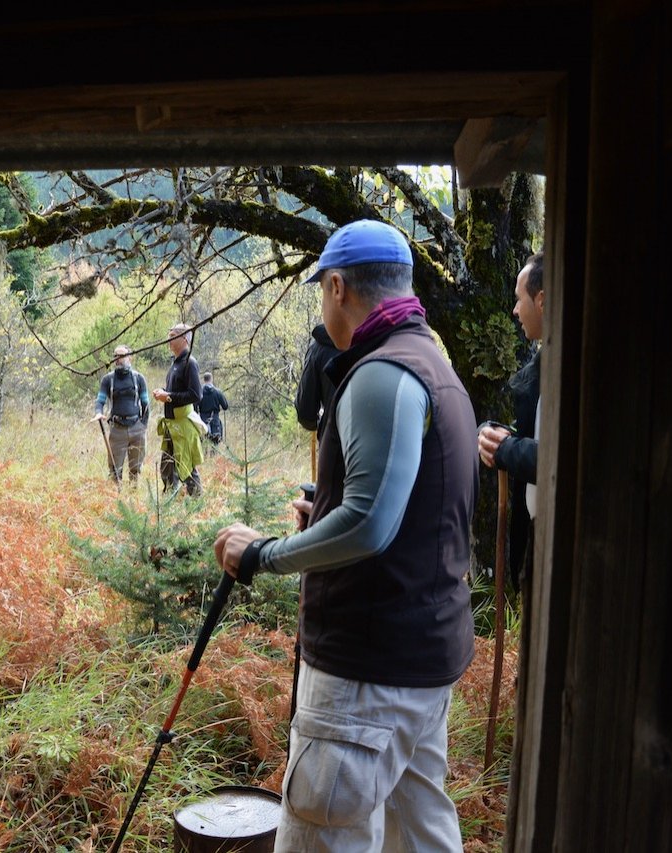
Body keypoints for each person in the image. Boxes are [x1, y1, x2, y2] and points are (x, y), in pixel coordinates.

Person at [213, 219, 478, 851]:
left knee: (325, 836)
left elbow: (367, 522)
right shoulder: (434, 366)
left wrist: (263, 555)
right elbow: (410, 508)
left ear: (337, 287)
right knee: (420, 835)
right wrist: (324, 508)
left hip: (365, 675)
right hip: (422, 660)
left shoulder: (381, 374)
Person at [477, 250, 543, 591]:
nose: (515, 310)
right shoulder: (543, 368)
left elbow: (557, 457)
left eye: (520, 299)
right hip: (537, 536)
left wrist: (508, 449)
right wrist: (502, 437)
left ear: (542, 300)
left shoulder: (571, 371)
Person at [152, 322, 205, 497]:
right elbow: (176, 390)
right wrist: (163, 392)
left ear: (184, 338)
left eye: (172, 336)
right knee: (167, 468)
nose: (168, 340)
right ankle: (168, 507)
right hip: (171, 426)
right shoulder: (175, 363)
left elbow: (196, 395)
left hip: (183, 426)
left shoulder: (190, 362)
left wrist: (168, 397)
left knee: (187, 467)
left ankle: (198, 504)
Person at [92, 344, 150, 483]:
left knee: (136, 469)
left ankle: (133, 497)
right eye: (116, 356)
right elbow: (100, 401)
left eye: (122, 356)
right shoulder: (108, 380)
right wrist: (98, 413)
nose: (118, 359)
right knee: (114, 470)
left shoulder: (139, 378)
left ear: (130, 357)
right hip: (117, 430)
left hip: (137, 428)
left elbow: (146, 404)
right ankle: (115, 499)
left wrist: (143, 425)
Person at [294, 321, 341, 437]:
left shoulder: (318, 347)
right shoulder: (383, 340)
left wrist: (320, 421)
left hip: (334, 445)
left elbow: (306, 414)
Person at [197, 371, 229, 445]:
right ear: (211, 379)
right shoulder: (218, 392)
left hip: (203, 420)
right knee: (215, 442)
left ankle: (204, 455)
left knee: (203, 441)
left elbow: (194, 407)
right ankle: (213, 456)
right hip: (215, 418)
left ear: (204, 380)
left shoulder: (199, 393)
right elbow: (225, 406)